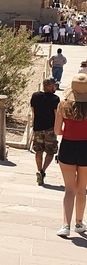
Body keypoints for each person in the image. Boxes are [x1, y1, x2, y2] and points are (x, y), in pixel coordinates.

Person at [54, 73, 87, 237]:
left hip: (67, 146)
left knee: (69, 190)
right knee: (82, 189)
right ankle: (79, 223)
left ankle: (65, 225)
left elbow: (57, 131)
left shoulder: (63, 105)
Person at [31, 77, 59, 185]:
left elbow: (33, 110)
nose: (55, 87)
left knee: (38, 151)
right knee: (50, 152)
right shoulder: (55, 99)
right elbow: (57, 115)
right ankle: (43, 171)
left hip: (38, 127)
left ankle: (39, 170)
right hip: (50, 129)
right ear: (49, 86)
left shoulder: (35, 96)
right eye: (54, 85)